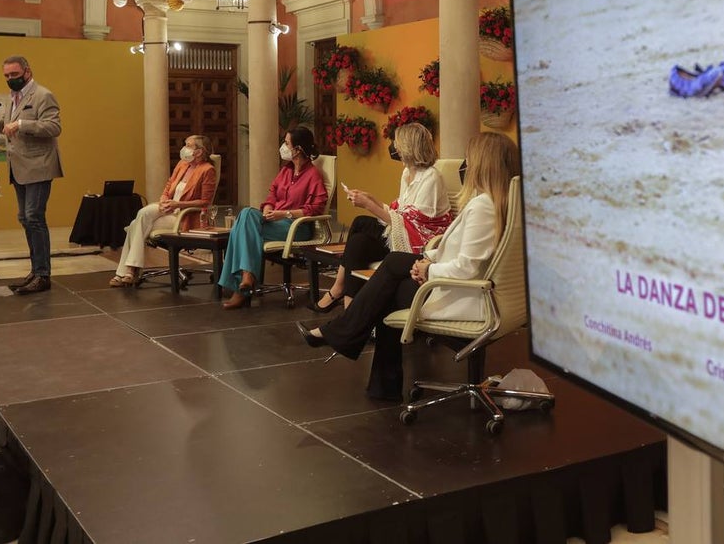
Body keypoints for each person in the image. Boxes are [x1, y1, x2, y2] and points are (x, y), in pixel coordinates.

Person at [298, 132, 520, 402]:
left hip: (461, 294)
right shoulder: (503, 203)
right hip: (469, 289)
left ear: (485, 164)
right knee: (389, 276)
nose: (466, 166)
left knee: (387, 286)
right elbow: (466, 254)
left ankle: (345, 336)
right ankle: (358, 353)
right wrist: (428, 256)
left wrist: (428, 270)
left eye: (470, 160)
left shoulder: (483, 207)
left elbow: (467, 267)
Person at [310, 122, 452, 313]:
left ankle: (339, 287)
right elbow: (400, 213)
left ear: (409, 146)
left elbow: (415, 224)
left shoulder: (431, 178)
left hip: (422, 243)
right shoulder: (406, 173)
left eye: (398, 144)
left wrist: (369, 205)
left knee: (361, 222)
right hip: (404, 233)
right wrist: (371, 199)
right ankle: (349, 307)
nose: (395, 149)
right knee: (358, 243)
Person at [0, 55, 62, 295]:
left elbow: (54, 127)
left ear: (27, 72)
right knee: (24, 218)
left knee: (34, 217)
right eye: (6, 76)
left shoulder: (43, 95)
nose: (10, 79)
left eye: (13, 75)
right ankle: (35, 270)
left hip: (39, 165)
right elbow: (9, 125)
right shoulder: (15, 98)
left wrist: (22, 124)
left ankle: (43, 275)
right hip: (20, 167)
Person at [217, 126, 328, 309]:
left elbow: (316, 209)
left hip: (296, 227)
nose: (283, 147)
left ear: (298, 149)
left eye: (286, 143)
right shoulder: (286, 171)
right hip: (275, 222)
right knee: (245, 216)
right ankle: (246, 277)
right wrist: (268, 209)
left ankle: (243, 284)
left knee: (242, 223)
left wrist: (283, 214)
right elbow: (272, 195)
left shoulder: (313, 175)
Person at [109, 135, 216, 287]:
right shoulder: (182, 164)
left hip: (184, 216)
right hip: (169, 208)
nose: (184, 148)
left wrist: (177, 204)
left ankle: (128, 271)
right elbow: (169, 185)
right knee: (143, 214)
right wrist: (164, 199)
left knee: (134, 226)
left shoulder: (208, 170)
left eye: (188, 145)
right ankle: (130, 270)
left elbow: (205, 201)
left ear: (199, 151)